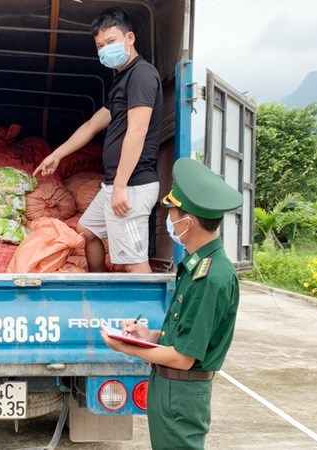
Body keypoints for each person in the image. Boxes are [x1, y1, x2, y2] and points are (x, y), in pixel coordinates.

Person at [101, 157, 244, 449]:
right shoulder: (198, 265)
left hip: (181, 393)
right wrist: (149, 336)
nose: (169, 220)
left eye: (173, 213)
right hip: (172, 388)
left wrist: (125, 348)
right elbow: (187, 335)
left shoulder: (211, 276)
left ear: (188, 222)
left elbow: (183, 358)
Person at [33, 6, 163, 273]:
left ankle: (142, 316)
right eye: (100, 45)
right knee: (87, 231)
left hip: (132, 185)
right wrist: (57, 154)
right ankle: (97, 285)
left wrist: (120, 185)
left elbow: (137, 131)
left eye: (111, 41)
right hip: (114, 184)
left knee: (133, 263)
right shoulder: (121, 79)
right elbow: (92, 125)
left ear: (130, 38)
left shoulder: (141, 75)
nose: (105, 49)